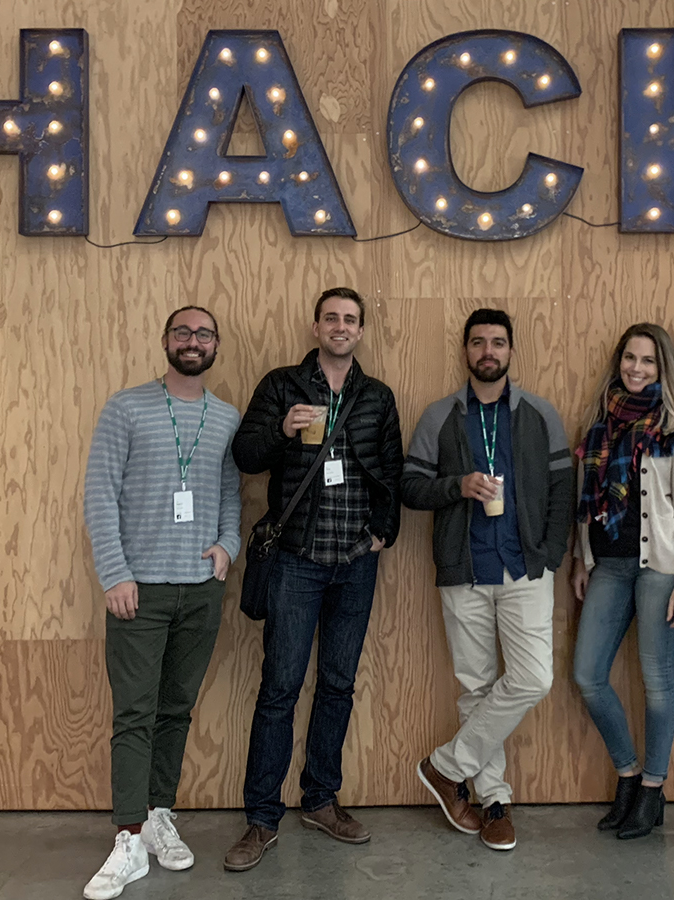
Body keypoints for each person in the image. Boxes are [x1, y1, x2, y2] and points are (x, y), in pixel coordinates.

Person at [222, 287, 405, 872]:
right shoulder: (282, 384)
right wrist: (281, 427)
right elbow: (246, 456)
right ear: (317, 325)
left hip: (356, 562)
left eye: (351, 320)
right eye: (332, 318)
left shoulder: (377, 395)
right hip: (297, 559)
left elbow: (393, 470)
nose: (341, 327)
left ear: (361, 330)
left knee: (338, 684)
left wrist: (384, 532)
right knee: (279, 688)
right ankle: (262, 817)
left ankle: (322, 800)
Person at [81, 307, 242, 898]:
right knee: (134, 713)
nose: (193, 342)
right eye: (183, 333)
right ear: (167, 341)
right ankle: (126, 839)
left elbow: (230, 491)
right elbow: (99, 493)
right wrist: (115, 574)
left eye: (203, 334)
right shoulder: (126, 408)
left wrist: (229, 545)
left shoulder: (225, 418)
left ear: (215, 345)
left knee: (175, 709)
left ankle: (156, 816)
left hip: (201, 589)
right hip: (138, 592)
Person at [403, 308, 573, 852]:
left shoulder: (540, 413)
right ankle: (494, 800)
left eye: (498, 343)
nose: (488, 352)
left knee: (532, 678)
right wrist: (456, 485)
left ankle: (445, 766)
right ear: (466, 351)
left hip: (525, 567)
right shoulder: (440, 416)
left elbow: (563, 490)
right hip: (464, 568)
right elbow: (409, 486)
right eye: (478, 343)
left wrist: (549, 554)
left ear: (511, 351)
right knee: (475, 688)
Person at [568, 323, 674, 840]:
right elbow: (586, 500)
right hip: (609, 566)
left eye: (648, 361)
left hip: (660, 570)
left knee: (657, 682)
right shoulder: (599, 423)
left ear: (662, 368)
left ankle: (652, 789)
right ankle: (627, 773)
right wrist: (581, 560)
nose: (637, 369)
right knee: (587, 674)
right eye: (630, 358)